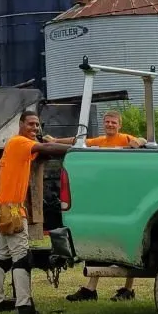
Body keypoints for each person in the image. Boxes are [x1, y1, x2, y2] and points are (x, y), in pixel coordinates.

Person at [47, 110, 143, 302]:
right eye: (107, 122)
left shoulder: (125, 139)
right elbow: (78, 140)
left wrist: (138, 142)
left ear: (119, 125)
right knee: (101, 241)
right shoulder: (99, 141)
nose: (110, 125)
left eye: (113, 122)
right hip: (106, 197)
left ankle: (128, 289)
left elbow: (141, 140)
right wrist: (55, 140)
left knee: (130, 244)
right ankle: (90, 289)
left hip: (124, 198)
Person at [0, 110, 71, 314]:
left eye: (37, 125)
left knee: (2, 258)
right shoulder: (20, 143)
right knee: (22, 258)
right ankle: (25, 307)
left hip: (2, 208)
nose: (35, 128)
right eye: (31, 124)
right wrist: (76, 149)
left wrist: (3, 193)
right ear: (21, 124)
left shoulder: (15, 145)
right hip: (14, 210)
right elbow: (46, 147)